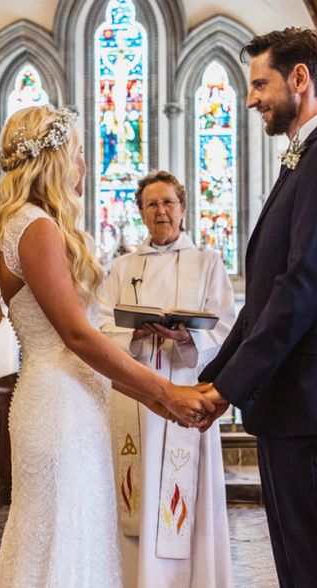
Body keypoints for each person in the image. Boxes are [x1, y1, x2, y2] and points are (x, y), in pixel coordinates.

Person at [0, 106, 213, 587]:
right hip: (60, 405)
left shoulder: (26, 222)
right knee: (63, 542)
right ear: (55, 158)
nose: (85, 165)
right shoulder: (36, 226)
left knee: (65, 539)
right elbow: (78, 335)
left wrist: (153, 398)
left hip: (62, 399)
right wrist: (165, 391)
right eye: (80, 154)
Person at [198, 28, 317, 587]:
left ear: (301, 79)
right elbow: (266, 296)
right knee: (298, 568)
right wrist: (215, 378)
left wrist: (226, 389)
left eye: (259, 84)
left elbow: (302, 288)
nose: (251, 99)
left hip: (312, 402)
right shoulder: (305, 160)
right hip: (290, 405)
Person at [98, 170, 234, 588]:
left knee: (186, 491)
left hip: (187, 391)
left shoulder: (208, 262)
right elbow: (101, 328)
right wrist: (134, 332)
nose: (161, 211)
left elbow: (226, 330)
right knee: (136, 492)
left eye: (169, 202)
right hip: (136, 396)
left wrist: (186, 334)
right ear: (140, 212)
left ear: (184, 208)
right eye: (152, 204)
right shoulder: (122, 267)